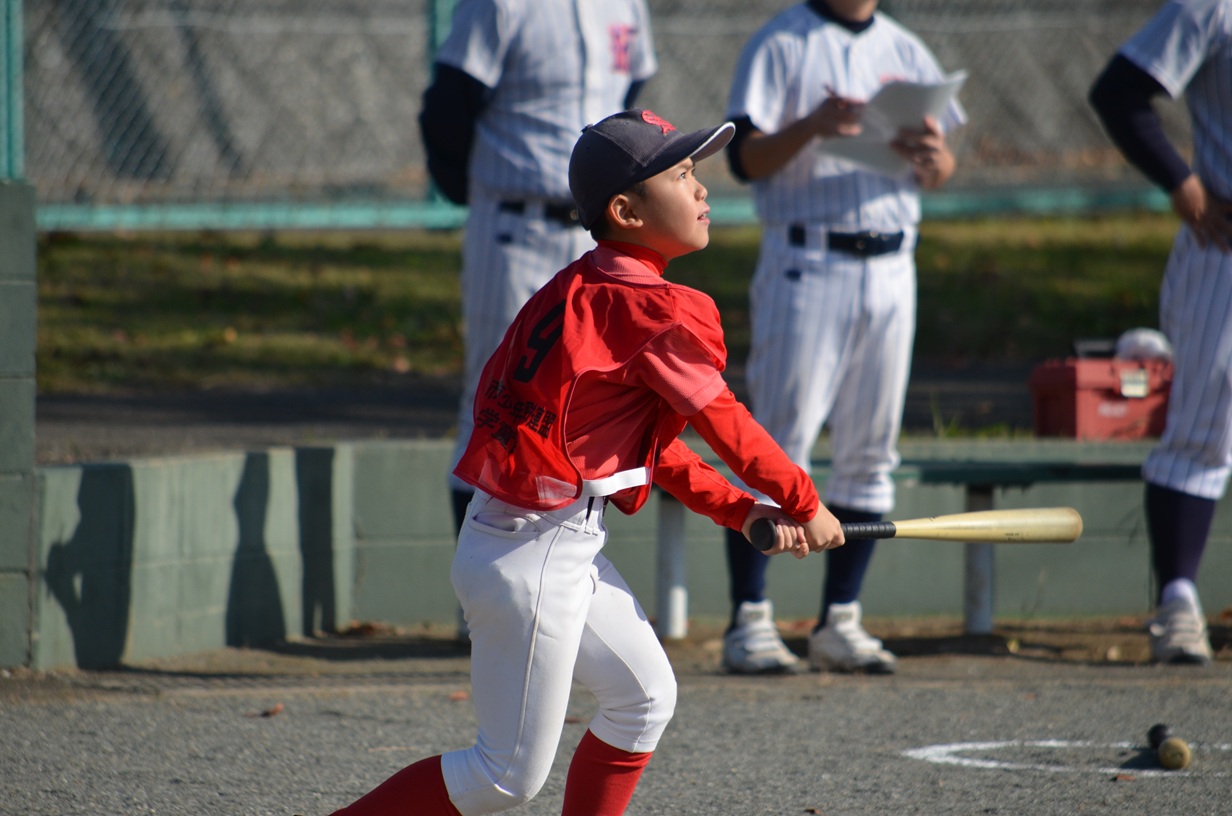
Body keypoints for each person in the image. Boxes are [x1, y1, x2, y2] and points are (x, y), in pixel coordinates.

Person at [326, 109, 845, 816]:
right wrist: (805, 501)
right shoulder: (646, 310)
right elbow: (725, 424)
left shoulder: (587, 288)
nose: (701, 190)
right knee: (503, 776)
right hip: (534, 556)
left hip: (546, 544)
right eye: (683, 174)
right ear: (625, 210)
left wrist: (741, 507)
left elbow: (648, 451)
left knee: (643, 699)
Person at [719, 0, 965, 675]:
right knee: (777, 442)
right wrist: (815, 126)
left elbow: (940, 171)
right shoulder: (782, 42)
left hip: (892, 264)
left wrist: (934, 157)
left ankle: (841, 620)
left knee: (870, 447)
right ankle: (750, 618)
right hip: (809, 258)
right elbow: (745, 159)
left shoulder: (906, 48)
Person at [417, 0, 657, 538]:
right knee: (496, 404)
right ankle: (480, 603)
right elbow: (447, 108)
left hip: (597, 232)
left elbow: (629, 102)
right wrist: (471, 188)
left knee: (586, 407)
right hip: (516, 226)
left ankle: (555, 586)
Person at [1089, 0, 1232, 666]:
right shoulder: (1212, 8)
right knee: (1203, 435)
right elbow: (1119, 92)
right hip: (1224, 249)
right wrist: (1181, 181)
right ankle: (1178, 603)